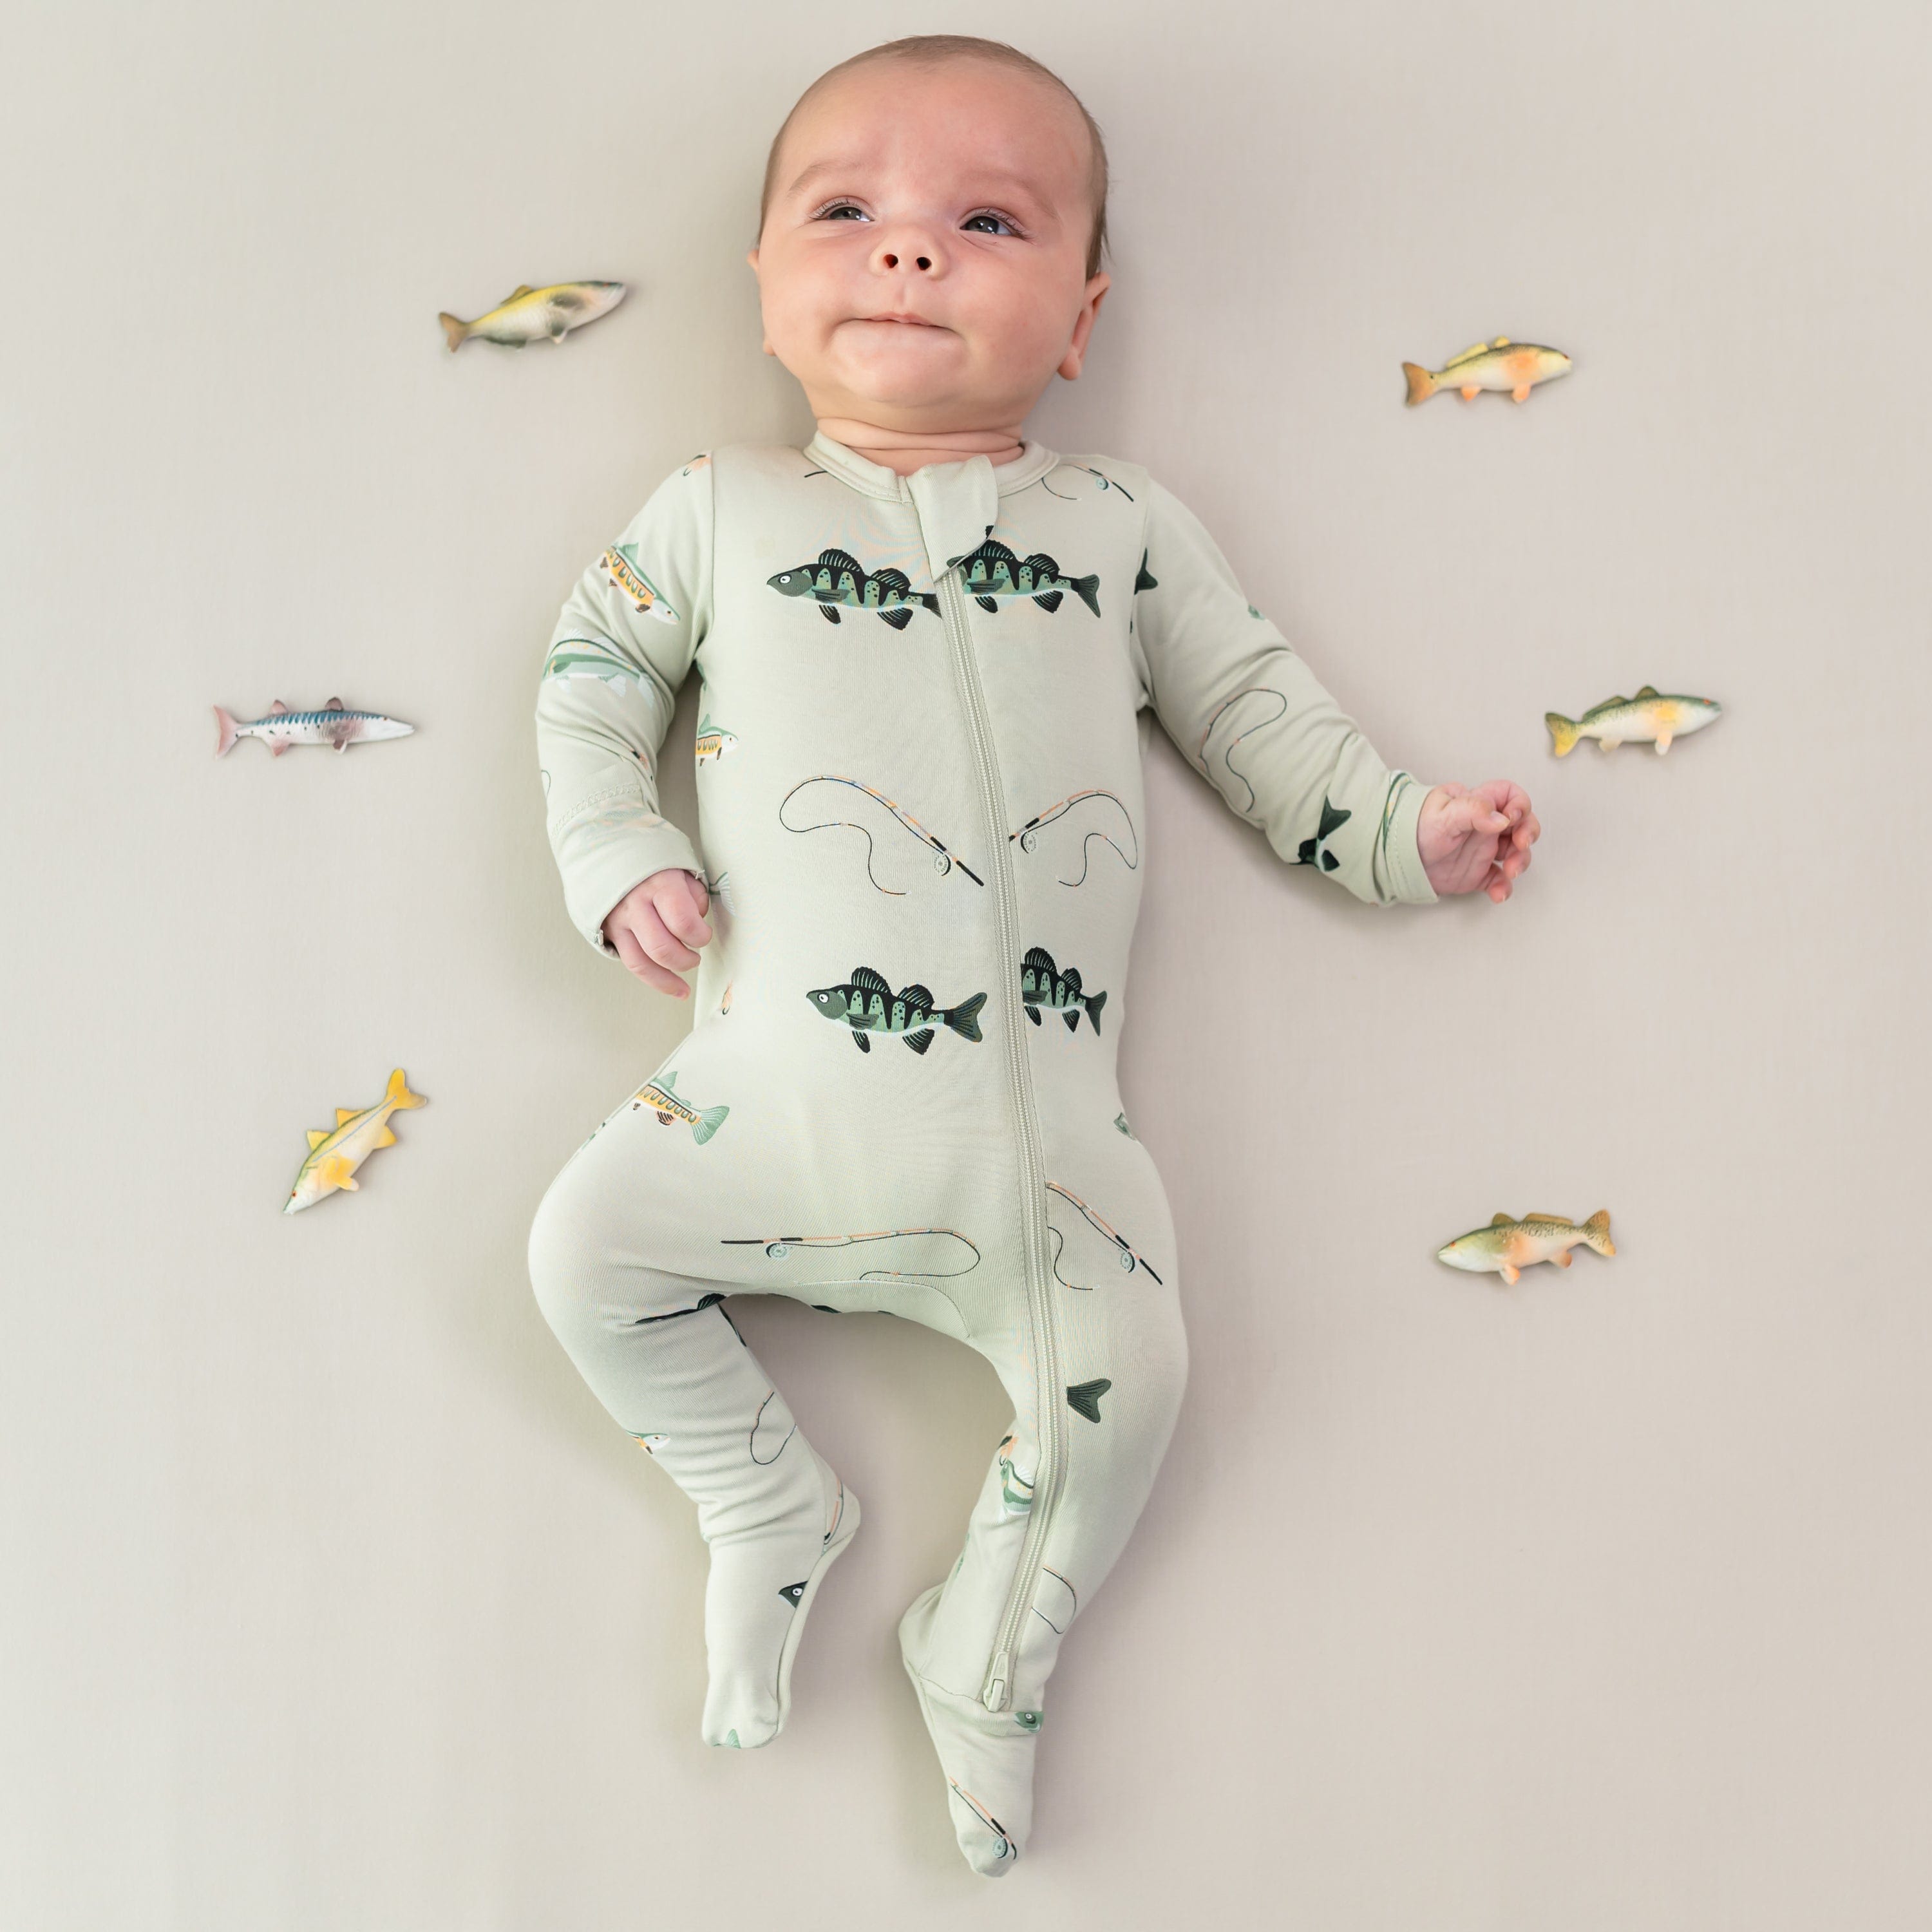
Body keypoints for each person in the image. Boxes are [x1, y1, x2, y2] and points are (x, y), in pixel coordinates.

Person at [526, 33, 1539, 1877]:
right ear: (765, 286)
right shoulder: (721, 512)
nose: (909, 252)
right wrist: (618, 854)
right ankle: (764, 1505)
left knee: (1135, 1390)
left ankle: (986, 1649)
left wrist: (1402, 832)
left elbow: (1255, 714)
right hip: (759, 1113)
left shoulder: (1116, 529)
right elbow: (591, 689)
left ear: (1079, 318)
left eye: (986, 221)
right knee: (581, 1258)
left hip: (1048, 1166)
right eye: (847, 213)